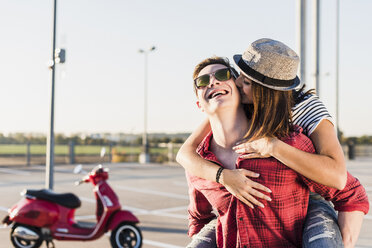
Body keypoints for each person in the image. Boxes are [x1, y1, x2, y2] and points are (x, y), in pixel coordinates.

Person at [183, 39, 369, 247]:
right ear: (199, 104)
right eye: (203, 82)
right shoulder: (199, 162)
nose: (216, 82)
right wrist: (222, 176)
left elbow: (343, 184)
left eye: (224, 76)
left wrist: (273, 146)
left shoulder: (298, 122)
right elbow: (197, 212)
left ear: (262, 92)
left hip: (312, 196)